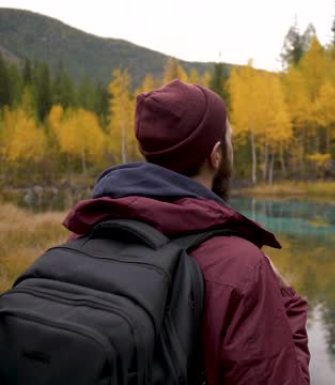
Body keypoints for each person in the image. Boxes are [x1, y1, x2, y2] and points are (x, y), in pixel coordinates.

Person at [62, 79, 310, 385]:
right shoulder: (240, 265)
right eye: (229, 139)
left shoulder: (84, 235)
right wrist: (288, 303)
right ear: (216, 155)